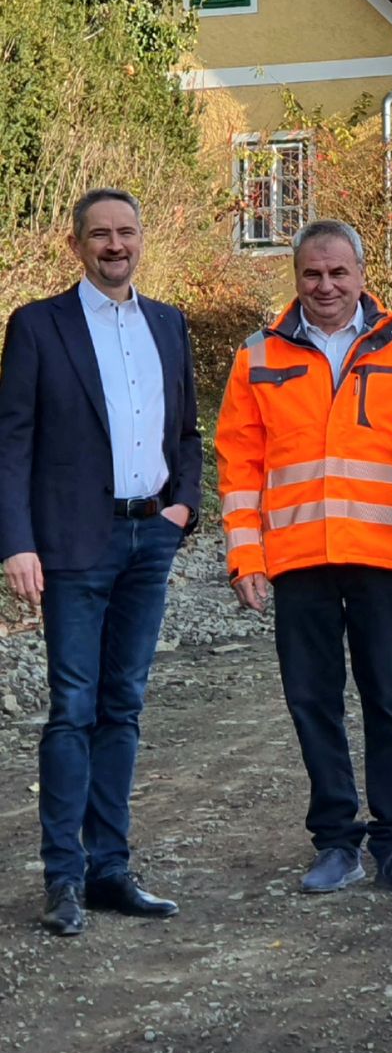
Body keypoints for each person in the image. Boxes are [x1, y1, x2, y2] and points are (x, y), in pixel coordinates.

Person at [216, 220, 392, 898]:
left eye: (338, 273)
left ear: (362, 274)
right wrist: (245, 556)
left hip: (381, 557)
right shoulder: (257, 357)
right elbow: (238, 466)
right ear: (296, 276)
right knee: (312, 702)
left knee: (388, 700)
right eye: (313, 274)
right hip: (297, 560)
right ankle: (336, 841)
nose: (325, 286)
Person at [0, 188, 202, 936]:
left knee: (124, 708)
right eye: (100, 235)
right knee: (73, 710)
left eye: (126, 232)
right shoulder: (38, 326)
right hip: (71, 546)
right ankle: (63, 878)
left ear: (142, 238)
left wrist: (182, 507)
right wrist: (16, 542)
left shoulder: (168, 323)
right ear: (76, 244)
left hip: (149, 541)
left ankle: (111, 869)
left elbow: (186, 431)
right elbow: (12, 440)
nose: (115, 245)